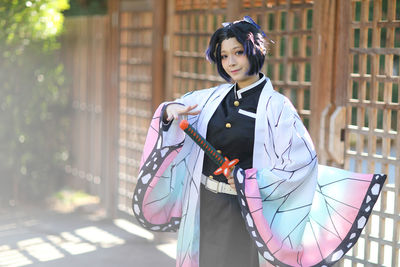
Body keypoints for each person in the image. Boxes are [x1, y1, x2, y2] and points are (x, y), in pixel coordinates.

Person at [132, 16, 386, 267]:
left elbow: (300, 163)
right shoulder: (211, 98)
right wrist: (168, 112)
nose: (231, 62)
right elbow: (176, 111)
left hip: (244, 211)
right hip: (204, 204)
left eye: (238, 52)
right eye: (224, 56)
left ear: (253, 51)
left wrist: (250, 180)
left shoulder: (277, 107)